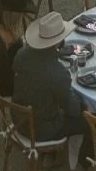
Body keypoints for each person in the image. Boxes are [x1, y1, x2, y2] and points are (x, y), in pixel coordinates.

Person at [12, 11, 86, 148]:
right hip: (42, 130)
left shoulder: (21, 54)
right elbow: (73, 110)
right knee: (91, 121)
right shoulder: (57, 73)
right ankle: (85, 161)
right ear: (59, 41)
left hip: (18, 120)